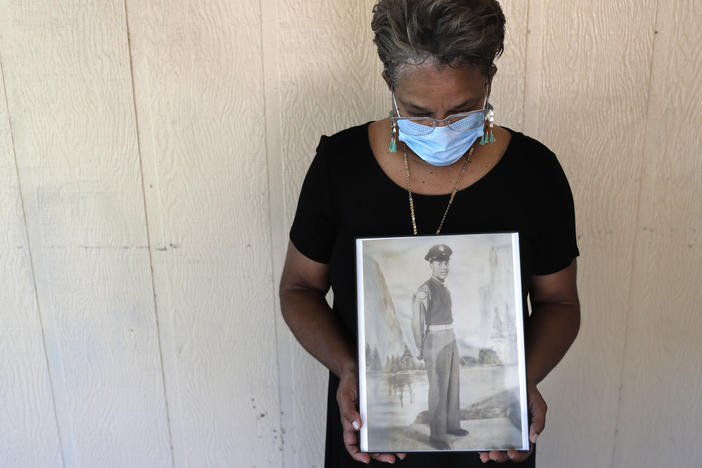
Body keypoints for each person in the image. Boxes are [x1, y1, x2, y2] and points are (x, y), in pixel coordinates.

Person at [279, 0, 580, 466]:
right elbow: (298, 288)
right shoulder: (340, 166)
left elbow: (559, 302)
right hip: (370, 430)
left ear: (489, 83)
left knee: (453, 386)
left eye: (462, 110)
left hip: (492, 445)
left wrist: (520, 384)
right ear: (389, 85)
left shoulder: (535, 173)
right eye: (417, 111)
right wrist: (349, 371)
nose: (440, 128)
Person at [411, 244, 469, 450]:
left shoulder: (445, 287)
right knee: (437, 388)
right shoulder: (424, 290)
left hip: (450, 337)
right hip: (435, 340)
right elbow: (417, 322)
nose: (444, 266)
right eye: (439, 262)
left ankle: (452, 426)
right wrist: (420, 347)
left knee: (453, 384)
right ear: (430, 263)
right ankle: (436, 435)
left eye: (446, 262)